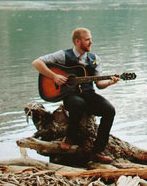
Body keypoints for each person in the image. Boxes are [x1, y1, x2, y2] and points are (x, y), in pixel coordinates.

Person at [32, 27, 118, 164]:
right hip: (70, 95)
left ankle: (97, 151)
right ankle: (69, 137)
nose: (91, 42)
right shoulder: (63, 55)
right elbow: (37, 63)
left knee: (109, 110)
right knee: (78, 104)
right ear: (77, 41)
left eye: (91, 39)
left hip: (89, 94)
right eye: (87, 39)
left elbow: (99, 84)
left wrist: (109, 82)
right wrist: (54, 76)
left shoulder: (94, 59)